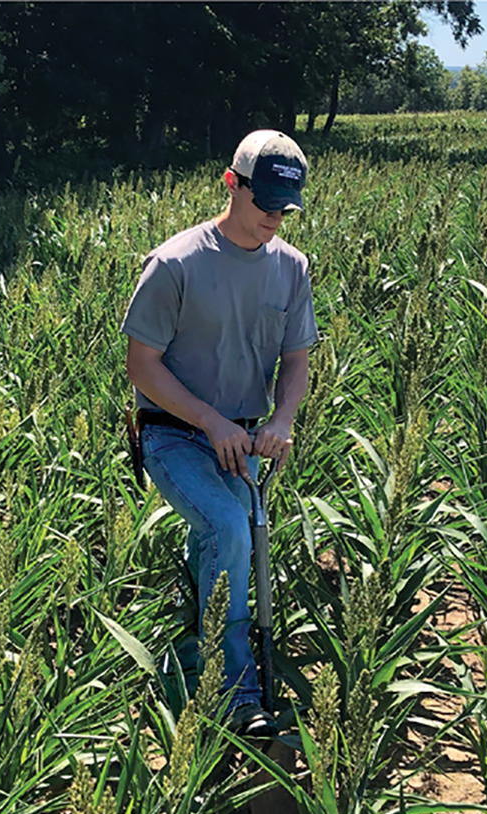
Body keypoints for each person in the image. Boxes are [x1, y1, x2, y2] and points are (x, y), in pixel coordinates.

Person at [121, 129, 318, 736]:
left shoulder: (291, 269)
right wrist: (207, 420)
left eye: (287, 208)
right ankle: (235, 694)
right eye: (264, 204)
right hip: (173, 434)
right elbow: (140, 364)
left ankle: (188, 653)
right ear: (231, 184)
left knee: (240, 541)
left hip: (245, 437)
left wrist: (282, 420)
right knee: (230, 528)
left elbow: (297, 362)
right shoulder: (176, 263)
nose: (275, 219)